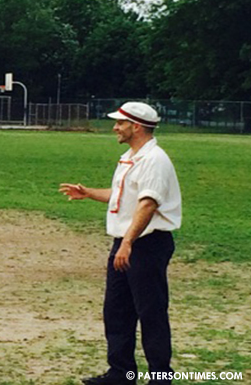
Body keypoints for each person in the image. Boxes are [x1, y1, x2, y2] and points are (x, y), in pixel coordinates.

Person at [59, 102, 182, 385]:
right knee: (116, 311)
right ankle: (121, 373)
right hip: (126, 243)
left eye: (120, 123)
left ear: (136, 126)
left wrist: (127, 242)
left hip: (146, 244)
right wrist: (88, 193)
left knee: (150, 311)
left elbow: (148, 204)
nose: (115, 127)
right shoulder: (130, 157)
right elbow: (122, 195)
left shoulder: (154, 160)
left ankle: (160, 377)